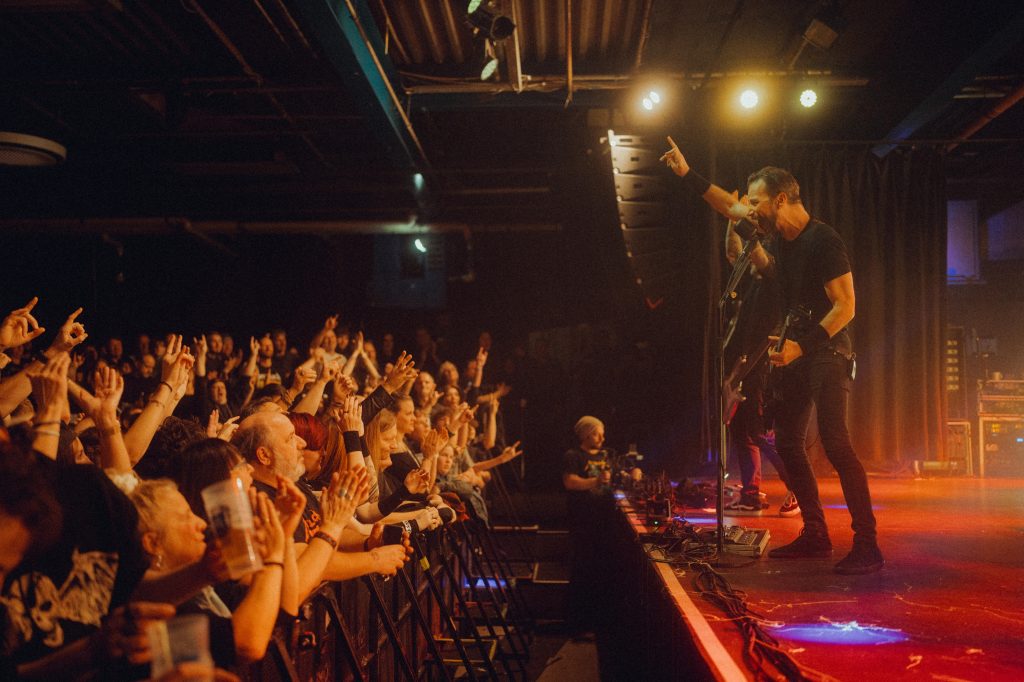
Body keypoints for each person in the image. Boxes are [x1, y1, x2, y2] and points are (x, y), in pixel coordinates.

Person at [662, 137, 883, 574]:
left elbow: (847, 306)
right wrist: (689, 175)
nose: (753, 209)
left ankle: (867, 543)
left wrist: (805, 344)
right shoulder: (777, 242)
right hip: (795, 351)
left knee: (837, 444)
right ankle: (816, 534)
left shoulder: (824, 240)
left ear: (781, 199)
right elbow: (732, 207)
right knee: (787, 443)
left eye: (759, 202)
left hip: (827, 349)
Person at [722, 218, 799, 518]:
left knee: (757, 432)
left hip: (762, 364)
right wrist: (731, 223)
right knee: (743, 432)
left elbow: (757, 255)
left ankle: (799, 487)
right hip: (745, 364)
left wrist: (739, 219)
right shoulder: (751, 281)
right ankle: (751, 494)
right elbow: (733, 254)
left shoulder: (774, 275)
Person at [561, 415, 616, 630]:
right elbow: (570, 482)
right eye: (596, 432)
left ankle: (598, 619)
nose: (602, 437)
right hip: (583, 521)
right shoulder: (573, 456)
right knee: (582, 568)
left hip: (605, 520)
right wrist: (596, 480)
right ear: (586, 434)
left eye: (602, 432)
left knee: (602, 570)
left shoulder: (607, 455)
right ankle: (577, 621)